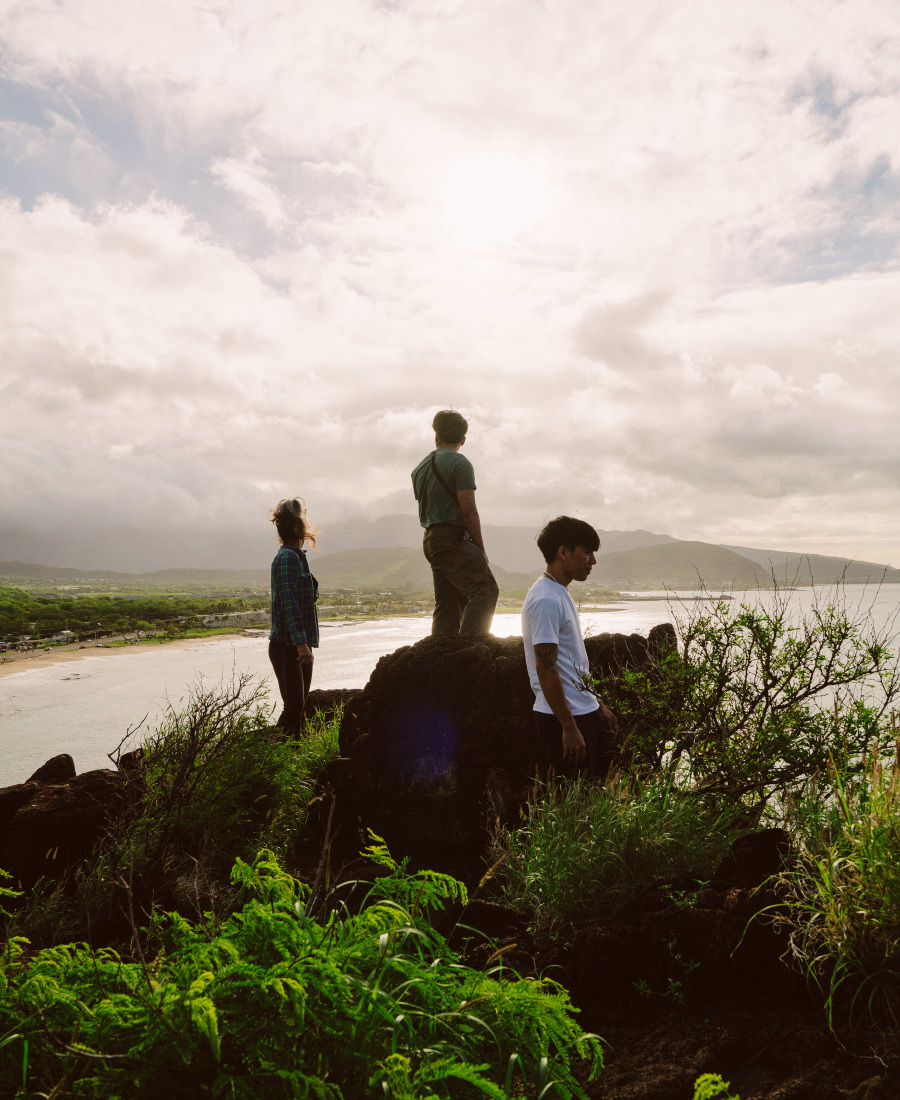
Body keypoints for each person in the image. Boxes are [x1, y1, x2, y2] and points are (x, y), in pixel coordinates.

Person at [521, 515, 617, 779]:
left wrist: (596, 703)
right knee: (574, 803)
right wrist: (569, 727)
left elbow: (570, 663)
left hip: (581, 711)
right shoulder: (546, 600)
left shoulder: (558, 592)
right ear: (563, 552)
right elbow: (546, 667)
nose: (593, 561)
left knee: (593, 797)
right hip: (563, 719)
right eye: (587, 553)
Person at [411, 409, 499, 635]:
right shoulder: (460, 464)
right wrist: (480, 548)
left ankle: (440, 655)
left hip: (431, 541)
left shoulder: (418, 469)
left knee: (448, 604)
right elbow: (468, 511)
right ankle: (470, 650)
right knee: (485, 589)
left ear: (436, 436)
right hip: (453, 540)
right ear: (463, 439)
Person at [268, 498, 319, 737]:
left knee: (299, 708)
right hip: (288, 645)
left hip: (298, 643)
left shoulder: (295, 557)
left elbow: (296, 600)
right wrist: (301, 644)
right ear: (300, 527)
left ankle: (290, 758)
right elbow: (289, 605)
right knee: (294, 707)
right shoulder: (289, 558)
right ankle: (273, 763)